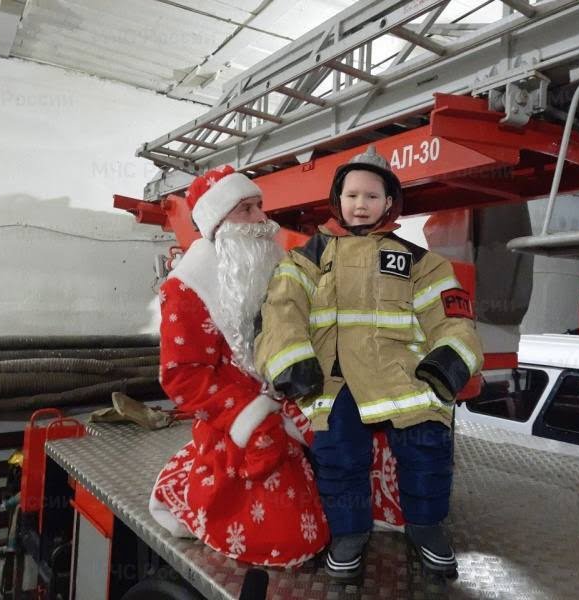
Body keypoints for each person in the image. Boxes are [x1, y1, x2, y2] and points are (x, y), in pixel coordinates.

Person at [255, 146, 484, 581]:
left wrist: (448, 365)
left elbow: (452, 318)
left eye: (373, 196)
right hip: (335, 380)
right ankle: (348, 534)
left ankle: (426, 527)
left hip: (405, 378)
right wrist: (293, 362)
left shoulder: (421, 262)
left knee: (428, 447)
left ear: (390, 203)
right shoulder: (305, 257)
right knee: (338, 457)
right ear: (337, 200)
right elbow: (281, 312)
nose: (361, 204)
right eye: (352, 195)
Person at [148, 165, 329, 567]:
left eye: (260, 207)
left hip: (293, 401)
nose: (262, 220)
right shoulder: (187, 288)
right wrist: (250, 416)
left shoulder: (273, 264)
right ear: (218, 222)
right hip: (239, 419)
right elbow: (183, 376)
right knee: (293, 538)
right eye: (246, 210)